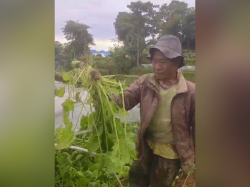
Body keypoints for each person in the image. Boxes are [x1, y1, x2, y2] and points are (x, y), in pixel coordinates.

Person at [91, 35, 195, 187]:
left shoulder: (190, 91)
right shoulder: (145, 82)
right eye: (154, 61)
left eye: (162, 62)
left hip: (170, 152)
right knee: (136, 181)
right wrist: (100, 90)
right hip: (145, 146)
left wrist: (193, 156)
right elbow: (125, 100)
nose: (156, 66)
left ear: (176, 63)